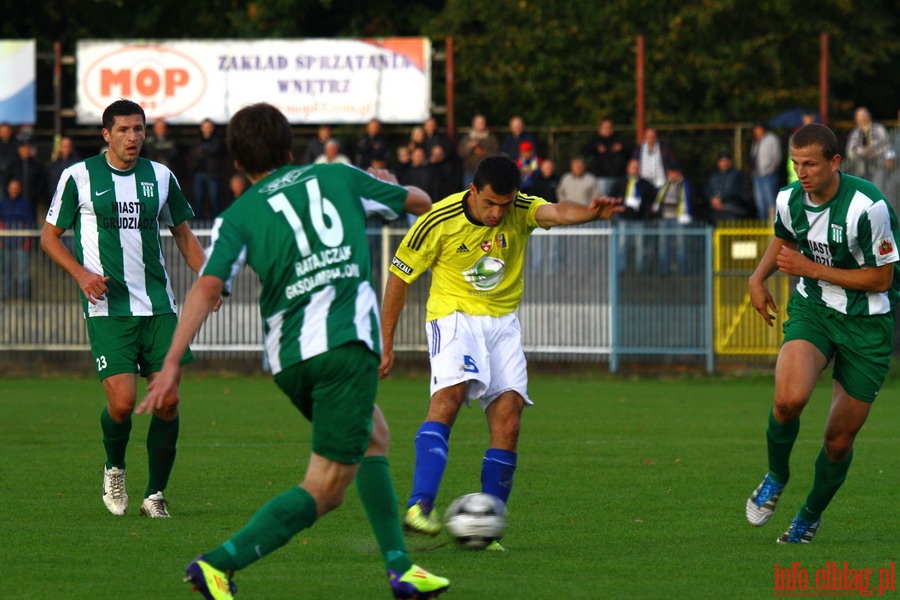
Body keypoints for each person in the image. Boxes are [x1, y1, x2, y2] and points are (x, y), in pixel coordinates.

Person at [135, 102, 449, 600]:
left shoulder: (240, 214)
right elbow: (422, 201)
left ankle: (401, 567)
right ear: (290, 146)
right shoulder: (339, 177)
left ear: (238, 163)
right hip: (344, 346)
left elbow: (207, 286)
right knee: (325, 488)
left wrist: (171, 362)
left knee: (372, 434)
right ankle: (218, 564)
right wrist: (383, 178)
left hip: (291, 359)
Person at [379, 155, 623, 551]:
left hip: (504, 324)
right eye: (490, 203)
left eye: (505, 205)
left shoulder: (520, 209)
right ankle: (418, 506)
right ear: (473, 191)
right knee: (450, 399)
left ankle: (485, 526)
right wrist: (386, 341)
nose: (497, 213)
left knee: (509, 421)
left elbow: (559, 211)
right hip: (454, 317)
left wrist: (591, 214)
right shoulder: (437, 221)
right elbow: (399, 277)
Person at [40, 98, 212, 520]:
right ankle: (114, 466)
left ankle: (155, 495)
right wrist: (82, 275)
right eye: (123, 130)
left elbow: (184, 236)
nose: (133, 137)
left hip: (158, 307)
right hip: (108, 309)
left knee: (168, 401)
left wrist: (211, 278)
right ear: (106, 135)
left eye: (138, 129)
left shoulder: (161, 176)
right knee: (122, 404)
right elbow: (49, 237)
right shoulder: (78, 176)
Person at [745, 123, 900, 544]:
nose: (802, 172)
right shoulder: (788, 199)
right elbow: (783, 241)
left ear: (835, 162)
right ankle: (777, 476)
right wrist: (757, 279)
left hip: (867, 324)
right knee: (788, 399)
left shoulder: (869, 206)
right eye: (796, 164)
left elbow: (881, 280)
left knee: (837, 440)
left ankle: (809, 515)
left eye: (810, 163)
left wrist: (811, 268)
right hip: (813, 308)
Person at [610, 158, 655, 274]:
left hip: (639, 219)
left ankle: (640, 270)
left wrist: (647, 210)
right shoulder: (620, 181)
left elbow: (653, 198)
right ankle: (621, 269)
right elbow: (611, 196)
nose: (634, 170)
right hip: (623, 218)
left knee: (640, 246)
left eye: (636, 168)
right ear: (628, 169)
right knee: (622, 245)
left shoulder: (645, 183)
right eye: (632, 167)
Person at [650, 166, 693, 275]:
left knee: (681, 244)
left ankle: (684, 270)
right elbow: (657, 199)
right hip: (664, 218)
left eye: (675, 173)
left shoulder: (684, 185)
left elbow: (688, 200)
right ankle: (664, 271)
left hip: (680, 219)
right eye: (671, 173)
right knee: (663, 245)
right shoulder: (663, 185)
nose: (673, 176)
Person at [0, 178, 36, 300]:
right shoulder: (3, 203)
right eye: (12, 188)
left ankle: (23, 297)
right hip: (6, 243)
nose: (14, 191)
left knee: (23, 272)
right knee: (6, 271)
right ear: (8, 189)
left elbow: (30, 223)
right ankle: (7, 297)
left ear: (19, 190)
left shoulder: (26, 204)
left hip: (22, 243)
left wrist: (28, 241)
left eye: (17, 188)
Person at [188, 118, 228, 220]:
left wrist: (201, 152)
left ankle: (214, 223)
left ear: (212, 128)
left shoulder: (217, 140)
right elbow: (193, 153)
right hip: (198, 173)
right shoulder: (197, 140)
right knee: (198, 199)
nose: (207, 129)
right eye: (205, 127)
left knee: (214, 199)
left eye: (209, 127)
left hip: (212, 174)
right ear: (201, 128)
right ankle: (199, 223)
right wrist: (205, 152)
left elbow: (214, 150)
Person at [844, 107, 890, 190]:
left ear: (869, 116)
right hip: (860, 169)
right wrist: (862, 152)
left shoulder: (879, 129)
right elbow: (850, 151)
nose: (863, 117)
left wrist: (876, 153)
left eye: (864, 115)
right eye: (860, 115)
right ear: (856, 119)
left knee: (878, 189)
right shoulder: (854, 133)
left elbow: (888, 145)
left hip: (879, 165)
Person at [582, 118, 631, 196]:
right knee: (604, 200)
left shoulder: (619, 139)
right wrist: (596, 147)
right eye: (605, 128)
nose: (607, 130)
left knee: (617, 200)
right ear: (600, 129)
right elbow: (584, 151)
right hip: (602, 178)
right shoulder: (596, 140)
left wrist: (622, 148)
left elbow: (631, 150)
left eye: (609, 127)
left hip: (618, 176)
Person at [705, 151, 752, 225]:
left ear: (730, 162)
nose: (724, 163)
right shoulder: (714, 177)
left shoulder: (737, 175)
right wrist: (712, 199)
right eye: (722, 161)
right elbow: (708, 191)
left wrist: (722, 200)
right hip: (715, 209)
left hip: (732, 208)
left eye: (726, 161)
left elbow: (738, 191)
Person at [750, 122, 783, 220]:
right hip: (757, 175)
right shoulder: (756, 141)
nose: (757, 132)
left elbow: (777, 156)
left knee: (770, 201)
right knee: (760, 202)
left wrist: (771, 169)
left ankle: (774, 225)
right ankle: (763, 225)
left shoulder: (772, 139)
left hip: (768, 174)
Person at [457, 114, 499, 187]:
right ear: (473, 124)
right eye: (478, 122)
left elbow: (496, 155)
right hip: (470, 173)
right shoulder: (467, 138)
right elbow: (461, 154)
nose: (481, 124)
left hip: (487, 173)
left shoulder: (491, 138)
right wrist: (469, 147)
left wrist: (484, 153)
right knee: (469, 195)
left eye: (482, 122)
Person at [633, 127, 674, 193]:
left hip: (661, 182)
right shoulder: (639, 149)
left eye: (652, 136)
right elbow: (634, 163)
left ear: (656, 137)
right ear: (645, 137)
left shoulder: (664, 148)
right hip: (644, 182)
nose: (650, 139)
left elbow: (671, 162)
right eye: (648, 137)